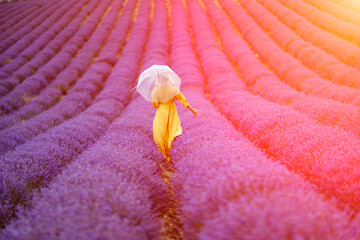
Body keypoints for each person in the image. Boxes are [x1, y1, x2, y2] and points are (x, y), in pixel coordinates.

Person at [151, 74, 199, 162]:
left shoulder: (155, 91)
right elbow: (183, 100)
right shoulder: (174, 89)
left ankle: (163, 155)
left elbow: (155, 105)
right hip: (172, 111)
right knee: (171, 130)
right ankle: (171, 154)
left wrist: (158, 99)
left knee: (160, 131)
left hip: (161, 112)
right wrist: (193, 110)